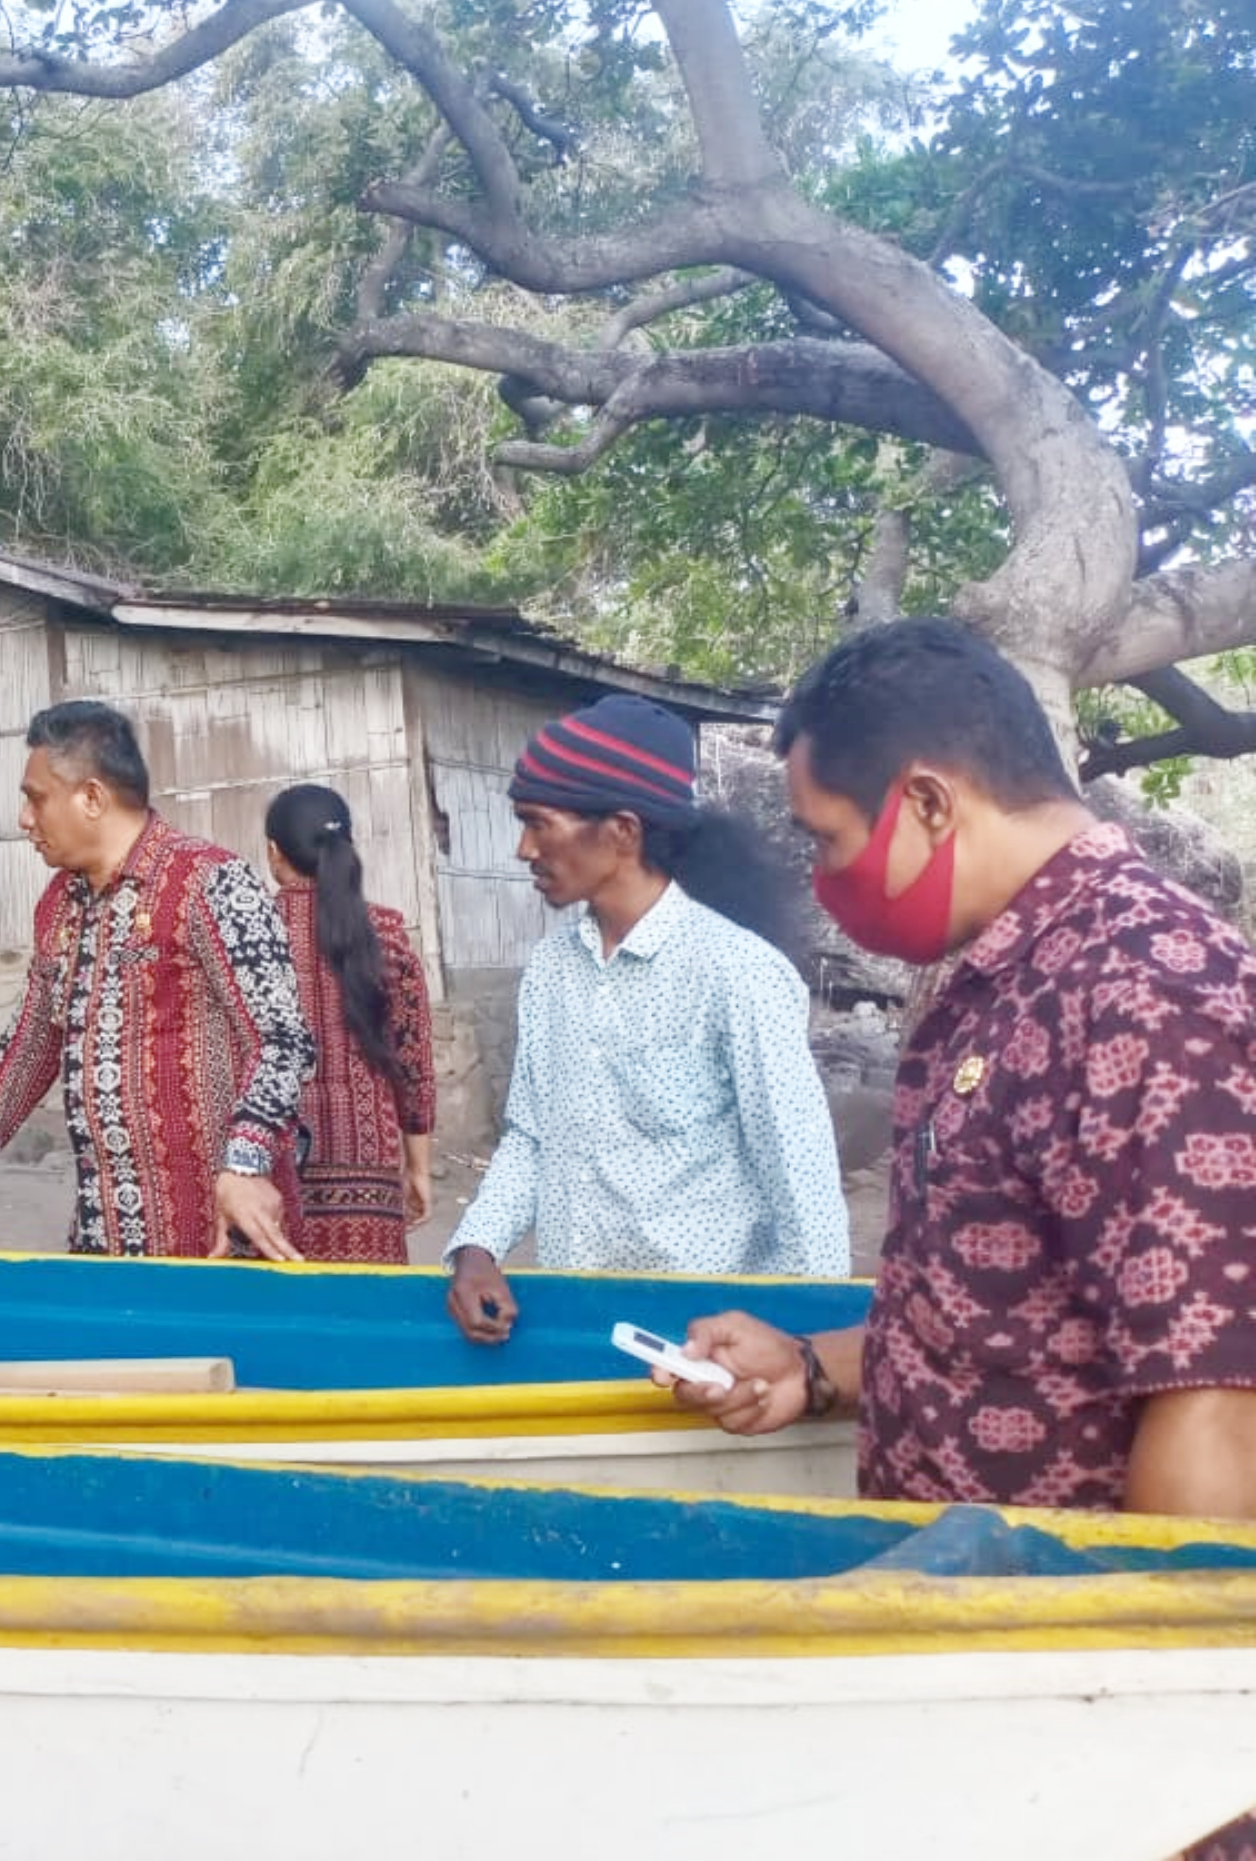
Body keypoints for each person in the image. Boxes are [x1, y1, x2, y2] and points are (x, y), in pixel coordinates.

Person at [668, 619, 1256, 1861]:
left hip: (1080, 1714)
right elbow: (1017, 1293)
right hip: (980, 1665)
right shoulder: (1004, 973)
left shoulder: (1138, 986)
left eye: (831, 839)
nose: (825, 879)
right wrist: (817, 1363)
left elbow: (1217, 1395)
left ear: (927, 802)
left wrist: (1141, 1744)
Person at [442, 693, 850, 1343]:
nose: (523, 849)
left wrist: (804, 1353)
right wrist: (477, 1249)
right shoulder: (550, 969)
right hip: (575, 1324)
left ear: (623, 831)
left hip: (707, 1344)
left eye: (539, 823)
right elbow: (531, 1135)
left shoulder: (736, 972)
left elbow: (801, 1185)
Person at [0, 700, 316, 1260]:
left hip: (221, 1245)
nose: (24, 819)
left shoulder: (211, 882)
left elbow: (283, 1040)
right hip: (103, 1243)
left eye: (35, 798)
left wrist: (245, 1162)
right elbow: (31, 1043)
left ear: (91, 797)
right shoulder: (58, 905)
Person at [263, 784, 434, 1263]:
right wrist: (418, 1167)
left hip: (269, 1175)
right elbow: (413, 1062)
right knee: (365, 1321)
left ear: (274, 852)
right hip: (370, 1182)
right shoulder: (388, 934)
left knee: (277, 1329)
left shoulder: (252, 935)